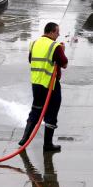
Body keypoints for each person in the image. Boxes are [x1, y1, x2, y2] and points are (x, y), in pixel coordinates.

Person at [18, 22, 68, 152]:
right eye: (57, 32)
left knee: (36, 110)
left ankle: (24, 138)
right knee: (51, 113)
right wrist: (62, 50)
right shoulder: (55, 46)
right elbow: (64, 64)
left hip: (36, 83)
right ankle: (48, 145)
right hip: (50, 85)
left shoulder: (34, 43)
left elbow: (31, 59)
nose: (59, 35)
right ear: (51, 32)